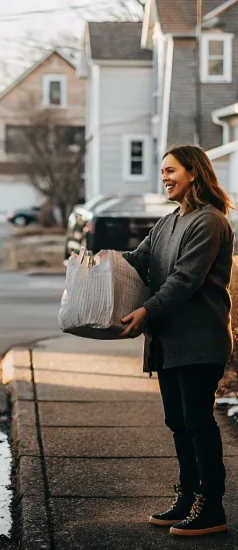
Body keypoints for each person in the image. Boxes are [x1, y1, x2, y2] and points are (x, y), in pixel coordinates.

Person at [121, 145, 234, 537]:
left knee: (198, 423)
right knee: (178, 423)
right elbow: (137, 260)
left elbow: (185, 279)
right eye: (163, 171)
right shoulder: (169, 222)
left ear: (194, 172)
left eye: (171, 170)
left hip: (199, 340)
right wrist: (94, 263)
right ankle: (188, 497)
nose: (165, 177)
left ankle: (212, 507)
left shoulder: (209, 222)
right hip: (168, 342)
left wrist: (147, 311)